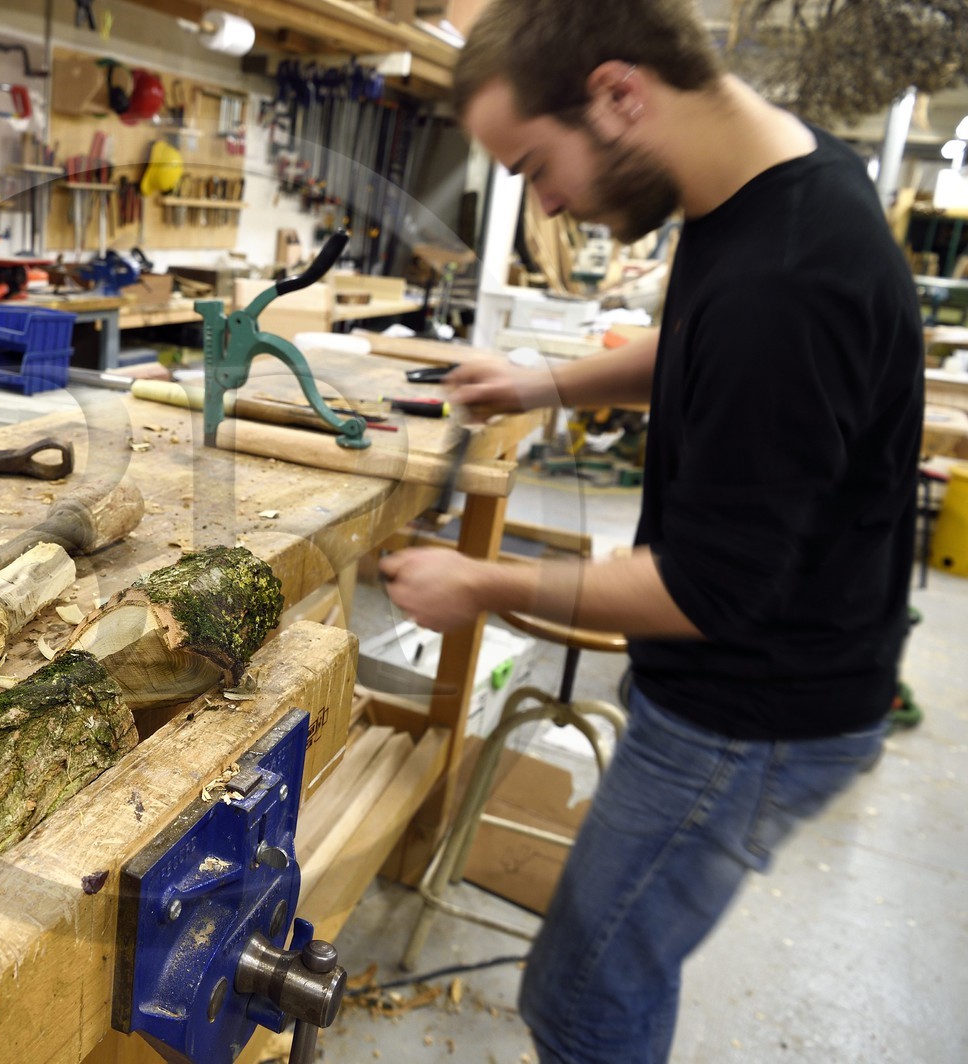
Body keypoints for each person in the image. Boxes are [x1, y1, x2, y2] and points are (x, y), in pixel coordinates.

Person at [378, 1, 923, 1060]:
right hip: (752, 674)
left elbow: (701, 589)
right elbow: (696, 337)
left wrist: (484, 585)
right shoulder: (772, 180)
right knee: (599, 974)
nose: (546, 200)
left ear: (621, 94)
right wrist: (544, 379)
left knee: (586, 992)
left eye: (535, 164)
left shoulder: (791, 280)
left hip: (753, 709)